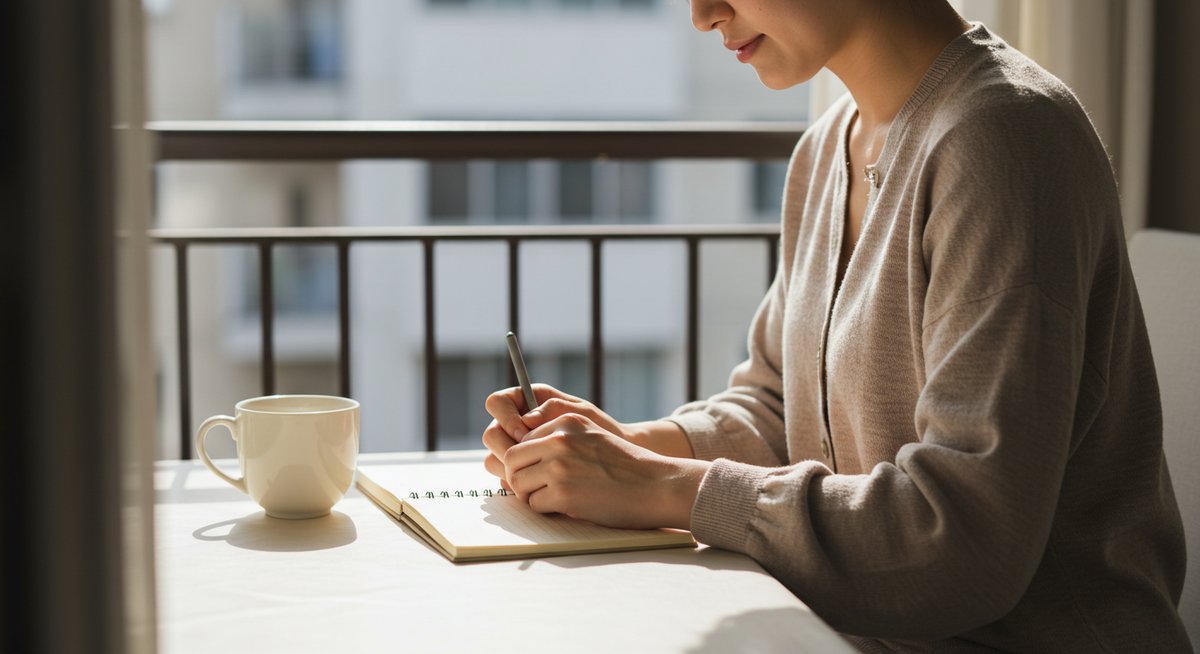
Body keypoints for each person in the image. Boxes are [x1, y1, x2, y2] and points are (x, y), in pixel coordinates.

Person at [481, 1, 1190, 650]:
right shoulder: (828, 148)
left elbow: (963, 543)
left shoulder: (1006, 139)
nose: (703, 15)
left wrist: (663, 486)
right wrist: (627, 450)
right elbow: (780, 406)